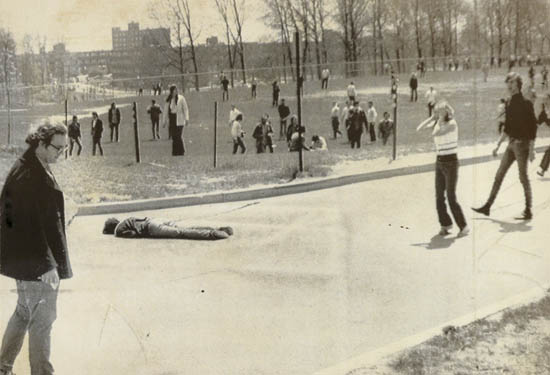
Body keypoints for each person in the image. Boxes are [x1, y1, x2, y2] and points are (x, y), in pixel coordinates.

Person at [0, 121, 72, 375]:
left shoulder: (31, 164)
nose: (60, 154)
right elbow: (28, 224)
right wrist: (47, 264)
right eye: (57, 149)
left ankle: (3, 367)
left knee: (23, 313)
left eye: (65, 149)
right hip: (37, 264)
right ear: (41, 143)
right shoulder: (28, 174)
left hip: (29, 262)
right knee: (42, 320)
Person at [472, 72, 538, 220]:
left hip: (523, 145)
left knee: (523, 177)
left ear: (518, 84)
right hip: (511, 144)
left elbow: (533, 128)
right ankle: (487, 206)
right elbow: (507, 128)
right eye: (508, 82)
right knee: (499, 175)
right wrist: (497, 145)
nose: (509, 85)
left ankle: (528, 210)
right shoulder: (508, 103)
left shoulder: (526, 103)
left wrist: (532, 150)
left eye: (512, 82)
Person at [416, 101, 469, 237]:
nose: (437, 112)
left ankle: (463, 227)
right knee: (439, 196)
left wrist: (436, 121)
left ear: (446, 111)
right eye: (436, 110)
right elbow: (419, 129)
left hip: (451, 162)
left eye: (439, 110)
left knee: (451, 196)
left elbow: (438, 134)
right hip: (439, 161)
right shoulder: (437, 123)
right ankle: (445, 224)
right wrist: (431, 118)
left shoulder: (452, 124)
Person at [102, 217, 233, 240]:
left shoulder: (117, 231)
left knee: (181, 233)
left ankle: (213, 234)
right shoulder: (126, 220)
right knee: (186, 227)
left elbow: (132, 234)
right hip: (154, 219)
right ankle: (219, 228)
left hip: (151, 228)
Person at [163, 84, 189, 156]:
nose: (176, 91)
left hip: (180, 119)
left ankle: (181, 151)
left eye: (176, 90)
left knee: (179, 135)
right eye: (174, 90)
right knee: (174, 136)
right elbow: (165, 111)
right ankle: (175, 152)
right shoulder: (168, 100)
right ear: (171, 91)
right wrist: (164, 121)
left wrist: (186, 118)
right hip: (172, 118)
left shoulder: (181, 98)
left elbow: (185, 109)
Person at [536, 96, 550, 177]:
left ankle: (542, 169)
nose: (546, 103)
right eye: (545, 101)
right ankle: (542, 169)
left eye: (547, 101)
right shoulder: (544, 113)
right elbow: (537, 123)